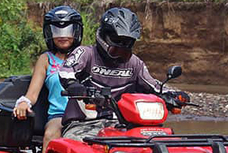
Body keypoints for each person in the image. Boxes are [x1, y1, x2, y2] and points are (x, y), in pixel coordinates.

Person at [58, 7, 190, 140]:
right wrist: (73, 85)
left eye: (127, 42)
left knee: (162, 143)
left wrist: (174, 96)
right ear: (104, 36)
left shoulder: (135, 63)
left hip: (122, 125)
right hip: (83, 125)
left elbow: (154, 86)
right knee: (78, 147)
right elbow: (66, 71)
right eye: (117, 40)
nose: (122, 46)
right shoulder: (86, 54)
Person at [12, 5, 83, 153]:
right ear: (49, 33)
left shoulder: (87, 56)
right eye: (57, 32)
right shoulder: (46, 59)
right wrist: (23, 103)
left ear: (76, 32)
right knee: (51, 134)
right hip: (60, 116)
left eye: (67, 31)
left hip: (86, 115)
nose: (62, 36)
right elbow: (32, 93)